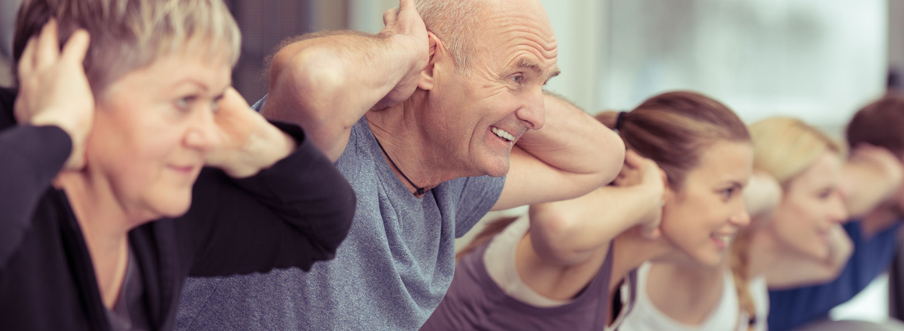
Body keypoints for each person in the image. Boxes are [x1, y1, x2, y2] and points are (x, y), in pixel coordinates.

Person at [175, 0, 625, 330]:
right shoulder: (327, 145)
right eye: (516, 77)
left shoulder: (451, 179)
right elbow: (312, 77)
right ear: (430, 64)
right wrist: (403, 51)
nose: (538, 114)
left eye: (541, 86)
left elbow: (601, 158)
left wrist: (522, 84)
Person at [0, 0, 357, 330]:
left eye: (214, 101)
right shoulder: (19, 183)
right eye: (185, 100)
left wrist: (253, 140)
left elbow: (324, 224)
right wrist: (54, 131)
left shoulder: (162, 209)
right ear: (75, 88)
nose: (206, 135)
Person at [420, 91, 776, 330]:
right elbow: (560, 225)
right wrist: (650, 192)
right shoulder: (585, 248)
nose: (742, 216)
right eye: (727, 191)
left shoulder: (625, 267)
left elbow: (769, 193)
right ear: (660, 180)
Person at [618, 117, 876, 331]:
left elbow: (836, 258)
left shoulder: (749, 280)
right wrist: (767, 191)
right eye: (823, 195)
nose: (841, 214)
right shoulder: (703, 264)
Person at [767, 93, 904, 331]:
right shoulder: (828, 211)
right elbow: (838, 187)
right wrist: (886, 174)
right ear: (883, 160)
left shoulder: (895, 221)